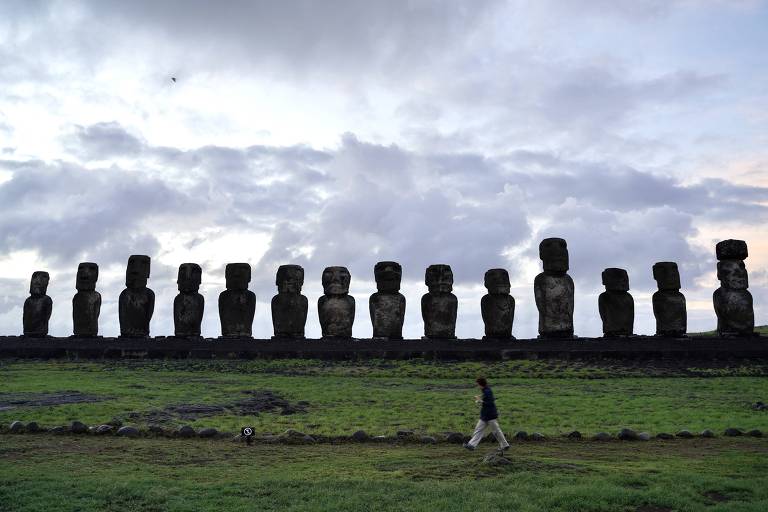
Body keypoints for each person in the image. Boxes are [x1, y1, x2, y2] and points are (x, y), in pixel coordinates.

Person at [464, 377, 510, 451]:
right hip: (486, 415)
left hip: (490, 415)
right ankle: (471, 445)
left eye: (477, 384)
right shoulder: (486, 390)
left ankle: (505, 445)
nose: (477, 386)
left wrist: (479, 400)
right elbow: (487, 397)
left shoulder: (487, 391)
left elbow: (490, 403)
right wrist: (480, 397)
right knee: (479, 429)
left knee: (496, 431)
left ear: (480, 384)